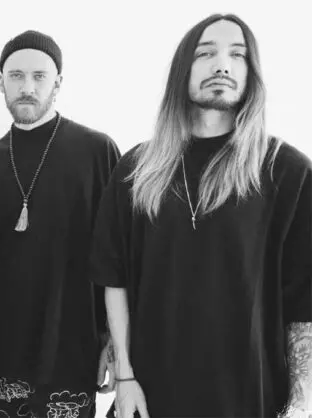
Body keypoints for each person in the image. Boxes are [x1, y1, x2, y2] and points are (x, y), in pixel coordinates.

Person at [89, 13, 312, 418]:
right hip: (151, 395)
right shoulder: (137, 168)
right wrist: (125, 376)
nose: (222, 65)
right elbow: (113, 278)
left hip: (250, 398)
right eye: (206, 53)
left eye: (237, 55)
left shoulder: (287, 171)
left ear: (252, 73)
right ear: (183, 71)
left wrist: (300, 404)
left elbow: (305, 303)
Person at [0, 30, 120, 418]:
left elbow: (118, 257)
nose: (27, 87)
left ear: (58, 82)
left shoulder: (97, 152)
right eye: (16, 76)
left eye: (39, 76)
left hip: (73, 349)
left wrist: (114, 341)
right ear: (1, 82)